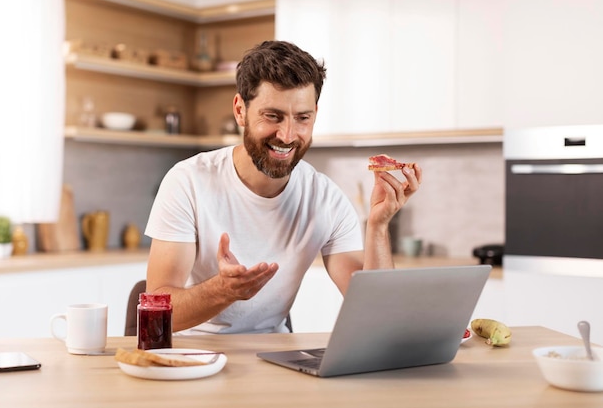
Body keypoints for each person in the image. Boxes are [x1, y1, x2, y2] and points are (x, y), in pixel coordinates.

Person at [144, 40, 422, 335]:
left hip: (275, 355)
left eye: (302, 118)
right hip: (194, 357)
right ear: (240, 110)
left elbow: (377, 314)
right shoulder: (188, 181)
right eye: (273, 116)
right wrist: (222, 290)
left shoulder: (325, 198)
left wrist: (378, 226)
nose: (287, 135)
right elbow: (157, 314)